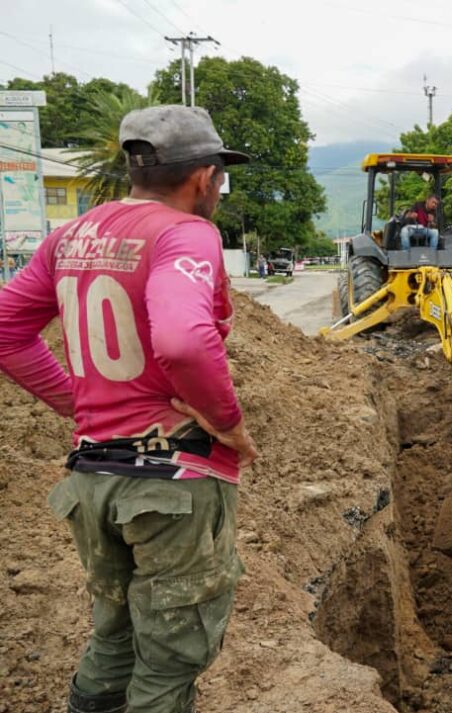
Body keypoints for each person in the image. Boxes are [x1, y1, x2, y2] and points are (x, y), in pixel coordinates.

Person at [0, 104, 259, 713]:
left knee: (114, 633)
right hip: (170, 483)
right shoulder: (186, 232)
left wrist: (78, 399)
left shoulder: (72, 235)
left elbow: (7, 327)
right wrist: (226, 422)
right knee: (169, 660)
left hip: (94, 478)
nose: (218, 187)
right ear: (203, 177)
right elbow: (182, 338)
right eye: (220, 175)